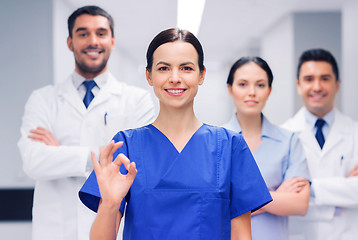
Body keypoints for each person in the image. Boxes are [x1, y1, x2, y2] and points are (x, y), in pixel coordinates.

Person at [79, 28, 273, 240]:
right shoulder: (126, 145)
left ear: (202, 75)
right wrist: (109, 205)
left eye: (186, 68)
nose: (174, 78)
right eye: (163, 68)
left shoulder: (230, 146)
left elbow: (242, 236)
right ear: (149, 76)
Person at [17, 5, 154, 240]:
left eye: (101, 33)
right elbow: (32, 161)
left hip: (113, 229)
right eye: (83, 33)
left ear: (112, 41)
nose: (93, 41)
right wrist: (103, 156)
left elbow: (139, 163)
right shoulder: (43, 99)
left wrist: (59, 153)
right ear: (70, 42)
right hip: (55, 230)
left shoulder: (137, 100)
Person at [282, 48, 358, 239]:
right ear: (299, 85)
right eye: (309, 79)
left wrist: (309, 188)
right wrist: (344, 190)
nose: (317, 87)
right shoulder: (284, 134)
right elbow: (282, 197)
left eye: (325, 78)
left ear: (337, 84)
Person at [223, 56, 310, 239]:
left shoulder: (289, 141)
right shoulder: (216, 142)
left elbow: (300, 204)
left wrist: (239, 201)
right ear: (230, 89)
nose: (252, 92)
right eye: (243, 84)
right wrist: (275, 196)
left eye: (260, 85)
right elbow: (213, 208)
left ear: (269, 90)